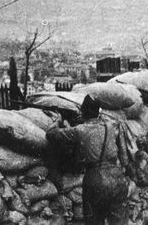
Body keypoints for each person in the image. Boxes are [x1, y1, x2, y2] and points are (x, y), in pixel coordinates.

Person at [46, 95, 130, 225]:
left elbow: (51, 135)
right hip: (117, 177)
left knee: (94, 220)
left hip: (95, 180)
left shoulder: (80, 130)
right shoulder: (112, 126)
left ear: (83, 112)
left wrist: (57, 120)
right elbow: (124, 157)